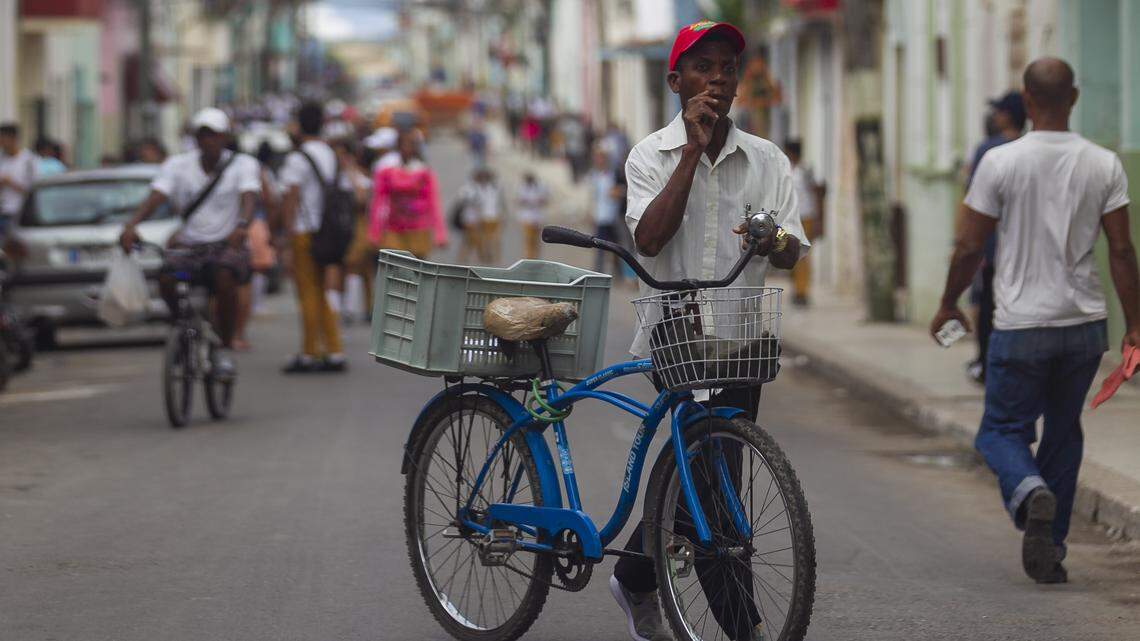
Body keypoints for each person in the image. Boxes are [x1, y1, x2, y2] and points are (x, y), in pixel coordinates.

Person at [612, 21, 807, 641]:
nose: (718, 79)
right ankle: (745, 630)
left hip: (743, 339)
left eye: (727, 67)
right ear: (676, 81)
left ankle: (636, 576)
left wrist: (772, 238)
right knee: (718, 494)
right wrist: (692, 152)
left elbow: (792, 251)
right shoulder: (648, 156)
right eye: (703, 67)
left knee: (704, 477)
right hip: (675, 337)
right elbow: (648, 240)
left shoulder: (766, 159)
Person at [930, 58, 1139, 584]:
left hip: (1020, 325)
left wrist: (948, 303)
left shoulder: (1000, 162)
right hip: (1084, 325)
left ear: (1026, 100)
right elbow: (1121, 250)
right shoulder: (1105, 164)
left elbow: (969, 246)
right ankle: (1051, 550)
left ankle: (1028, 491)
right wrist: (1135, 325)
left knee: (1000, 432)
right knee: (1063, 435)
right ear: (1074, 98)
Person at [118, 108, 260, 377]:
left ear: (224, 137)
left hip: (224, 247)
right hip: (189, 247)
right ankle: (180, 328)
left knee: (225, 278)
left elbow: (249, 197)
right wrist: (131, 225)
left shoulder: (243, 165)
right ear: (195, 138)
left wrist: (242, 226)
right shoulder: (177, 165)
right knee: (167, 277)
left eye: (214, 135)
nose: (208, 141)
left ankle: (225, 343)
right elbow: (157, 196)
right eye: (203, 135)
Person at [278, 102, 347, 374]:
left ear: (298, 126)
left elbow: (290, 197)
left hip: (304, 231)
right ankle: (334, 350)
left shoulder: (298, 158)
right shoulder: (329, 153)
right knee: (322, 292)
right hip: (328, 231)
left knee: (307, 293)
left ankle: (309, 353)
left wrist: (285, 237)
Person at [964, 92, 1026, 384]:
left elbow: (972, 201)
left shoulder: (987, 150)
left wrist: (963, 241)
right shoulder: (1028, 149)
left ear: (1008, 116)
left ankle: (985, 363)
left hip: (990, 247)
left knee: (986, 305)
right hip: (1023, 249)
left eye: (999, 111)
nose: (994, 117)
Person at [368, 129, 446, 260]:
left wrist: (440, 233)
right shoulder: (387, 171)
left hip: (418, 227)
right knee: (395, 264)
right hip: (394, 226)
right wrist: (375, 232)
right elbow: (378, 201)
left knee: (418, 266)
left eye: (410, 145)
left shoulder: (424, 172)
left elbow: (433, 203)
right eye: (404, 145)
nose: (407, 149)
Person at [784, 139, 825, 306]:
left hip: (806, 217)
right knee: (789, 254)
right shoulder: (785, 168)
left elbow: (817, 193)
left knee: (803, 255)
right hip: (789, 217)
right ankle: (796, 288)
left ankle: (802, 292)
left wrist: (819, 220)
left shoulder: (806, 170)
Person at [588, 147, 624, 280]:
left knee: (616, 248)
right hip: (600, 217)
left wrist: (616, 193)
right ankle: (598, 275)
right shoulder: (594, 175)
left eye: (601, 158)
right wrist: (590, 213)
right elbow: (593, 196)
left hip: (612, 217)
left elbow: (620, 190)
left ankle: (619, 274)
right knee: (599, 248)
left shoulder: (613, 174)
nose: (599, 161)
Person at [0, 122, 36, 240]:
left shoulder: (28, 160)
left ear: (13, 139)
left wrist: (10, 182)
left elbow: (33, 189)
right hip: (3, 210)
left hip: (20, 212)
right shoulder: (2, 159)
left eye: (3, 139)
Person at [515, 172, 548, 260]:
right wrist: (527, 202)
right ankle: (529, 257)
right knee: (528, 239)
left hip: (537, 217)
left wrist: (538, 201)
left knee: (537, 239)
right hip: (527, 217)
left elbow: (546, 200)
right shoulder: (522, 188)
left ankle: (536, 257)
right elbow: (518, 200)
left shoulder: (540, 187)